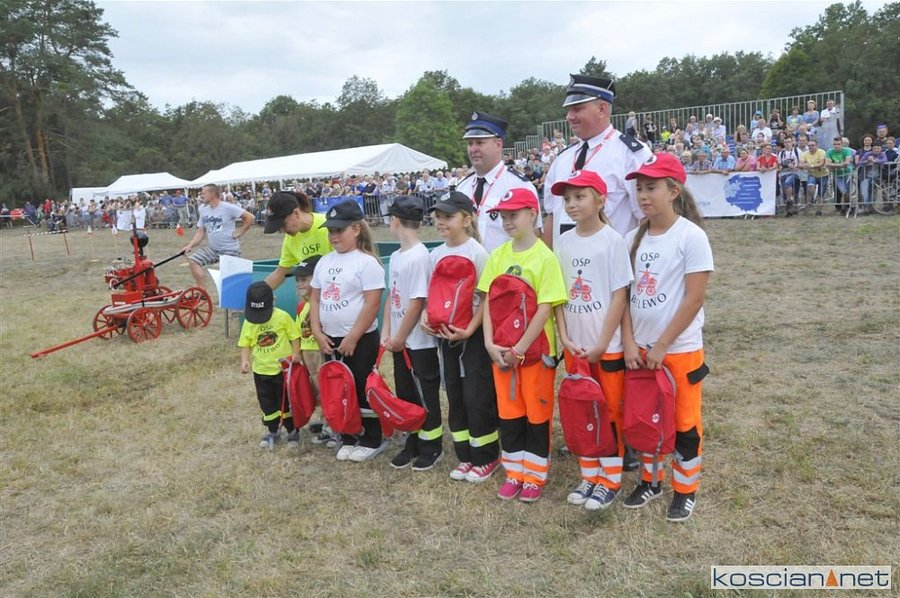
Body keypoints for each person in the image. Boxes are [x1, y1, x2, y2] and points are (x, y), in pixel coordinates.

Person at [620, 153, 714, 522]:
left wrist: (662, 345)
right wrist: (630, 342)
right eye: (639, 189)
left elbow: (694, 299)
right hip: (641, 352)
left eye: (651, 188)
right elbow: (623, 297)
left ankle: (685, 490)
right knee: (646, 420)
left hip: (678, 351)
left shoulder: (691, 237)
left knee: (684, 423)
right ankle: (650, 481)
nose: (643, 195)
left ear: (673, 191)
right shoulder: (632, 238)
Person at [478, 188, 567, 503]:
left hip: (535, 354)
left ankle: (534, 476)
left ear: (532, 214)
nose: (507, 221)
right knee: (509, 413)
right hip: (502, 354)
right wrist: (489, 343)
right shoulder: (498, 255)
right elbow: (488, 301)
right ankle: (514, 473)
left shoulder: (545, 258)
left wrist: (520, 349)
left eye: (513, 215)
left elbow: (545, 307)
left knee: (536, 415)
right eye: (503, 216)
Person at [551, 170, 632, 510]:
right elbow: (557, 295)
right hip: (575, 348)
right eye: (567, 198)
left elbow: (619, 296)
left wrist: (602, 342)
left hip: (606, 348)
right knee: (581, 408)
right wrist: (564, 336)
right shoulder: (563, 242)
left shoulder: (613, 241)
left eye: (579, 196)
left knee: (609, 411)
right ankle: (588, 474)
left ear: (600, 200)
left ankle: (609, 478)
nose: (572, 204)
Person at [422, 191, 500, 483]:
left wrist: (470, 329)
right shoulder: (436, 254)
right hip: (445, 336)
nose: (440, 222)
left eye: (448, 216)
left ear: (466, 220)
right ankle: (465, 455)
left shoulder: (478, 254)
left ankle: (486, 456)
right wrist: (425, 317)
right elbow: (432, 293)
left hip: (472, 337)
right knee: (454, 394)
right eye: (438, 217)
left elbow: (487, 297)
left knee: (476, 395)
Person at [309, 199, 386, 463]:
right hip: (330, 338)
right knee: (339, 388)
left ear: (356, 229)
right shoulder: (324, 262)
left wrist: (353, 336)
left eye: (339, 230)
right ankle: (349, 434)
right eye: (331, 231)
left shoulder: (367, 263)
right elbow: (315, 298)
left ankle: (372, 437)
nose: (334, 236)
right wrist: (317, 331)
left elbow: (372, 303)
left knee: (363, 385)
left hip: (360, 338)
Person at [543, 75, 652, 245]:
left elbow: (648, 218)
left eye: (577, 109)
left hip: (611, 260)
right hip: (562, 259)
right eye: (569, 110)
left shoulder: (631, 154)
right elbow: (552, 215)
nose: (569, 117)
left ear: (602, 109)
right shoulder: (562, 159)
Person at [381, 196, 443, 471]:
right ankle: (412, 441)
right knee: (405, 394)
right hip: (400, 341)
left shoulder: (419, 257)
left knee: (425, 394)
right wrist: (387, 332)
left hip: (418, 342)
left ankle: (432, 445)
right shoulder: (396, 256)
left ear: (395, 221)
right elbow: (392, 295)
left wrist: (400, 336)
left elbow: (417, 301)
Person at [455, 111, 538, 252]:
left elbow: (534, 235)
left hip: (507, 265)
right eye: (470, 143)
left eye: (480, 143)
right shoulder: (462, 187)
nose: (473, 149)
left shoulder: (519, 185)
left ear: (498, 144)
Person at [238, 281, 302, 450]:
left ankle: (292, 430)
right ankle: (273, 430)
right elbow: (246, 343)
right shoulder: (249, 322)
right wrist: (245, 360)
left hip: (282, 371)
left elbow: (295, 336)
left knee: (286, 402)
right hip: (261, 371)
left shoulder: (282, 317)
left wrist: (296, 353)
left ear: (273, 300)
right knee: (267, 403)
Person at [292, 255, 335, 447]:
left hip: (319, 353)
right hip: (308, 353)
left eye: (304, 279)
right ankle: (326, 419)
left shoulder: (322, 305)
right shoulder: (303, 306)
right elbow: (298, 332)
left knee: (326, 388)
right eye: (298, 280)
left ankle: (332, 426)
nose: (299, 284)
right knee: (317, 389)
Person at [181, 183, 255, 289]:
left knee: (230, 282)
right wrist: (190, 245)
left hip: (230, 250)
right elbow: (200, 231)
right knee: (193, 261)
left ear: (212, 193)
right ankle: (202, 290)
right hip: (213, 250)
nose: (201, 196)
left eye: (203, 193)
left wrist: (240, 231)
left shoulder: (227, 207)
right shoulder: (203, 209)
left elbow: (250, 217)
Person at [262, 191, 332, 290]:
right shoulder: (290, 239)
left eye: (283, 224)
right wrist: (259, 293)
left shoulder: (329, 227)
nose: (282, 231)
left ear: (296, 213)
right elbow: (281, 272)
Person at [826, 136, 854, 215]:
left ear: (842, 144)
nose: (836, 146)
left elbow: (847, 163)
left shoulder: (847, 151)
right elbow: (827, 163)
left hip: (847, 173)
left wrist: (834, 165)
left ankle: (847, 207)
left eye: (838, 144)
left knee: (847, 193)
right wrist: (840, 165)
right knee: (843, 191)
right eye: (835, 144)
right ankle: (844, 208)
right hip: (837, 175)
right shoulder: (830, 152)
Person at [778, 136, 802, 216]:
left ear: (792, 142)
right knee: (785, 191)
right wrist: (780, 168)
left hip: (795, 173)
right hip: (784, 174)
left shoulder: (797, 151)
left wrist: (795, 166)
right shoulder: (781, 153)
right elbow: (780, 165)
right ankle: (790, 209)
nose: (787, 144)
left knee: (790, 185)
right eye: (785, 142)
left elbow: (801, 162)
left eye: (789, 142)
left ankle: (790, 201)